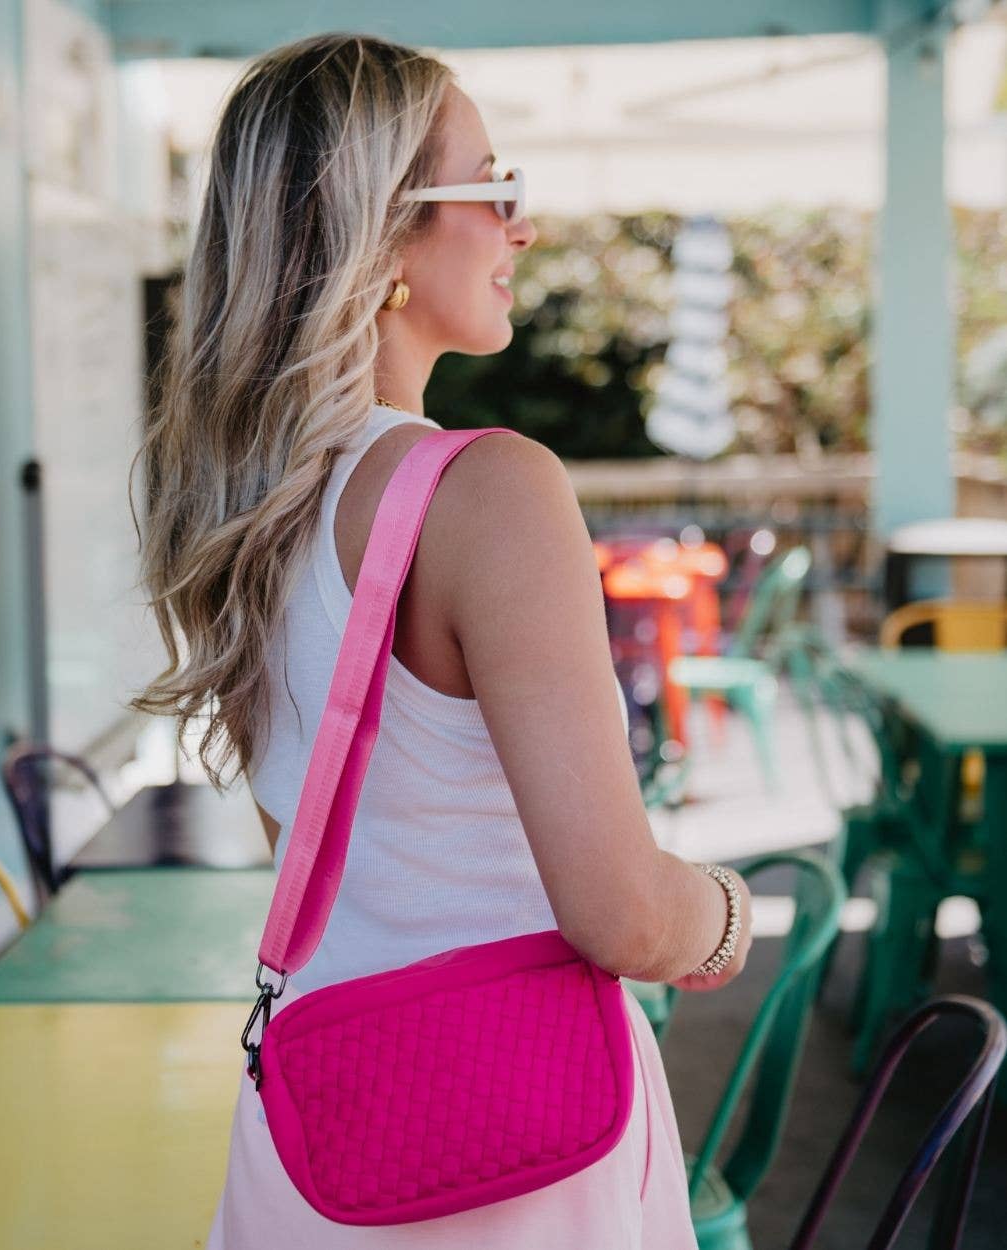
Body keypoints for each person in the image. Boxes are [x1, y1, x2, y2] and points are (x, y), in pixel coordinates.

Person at [133, 31, 753, 1249]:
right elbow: (623, 916)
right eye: (495, 185)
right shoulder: (487, 492)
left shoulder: (235, 510)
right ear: (386, 232)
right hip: (519, 1144)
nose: (520, 226)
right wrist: (726, 912)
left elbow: (318, 861)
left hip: (323, 1128)